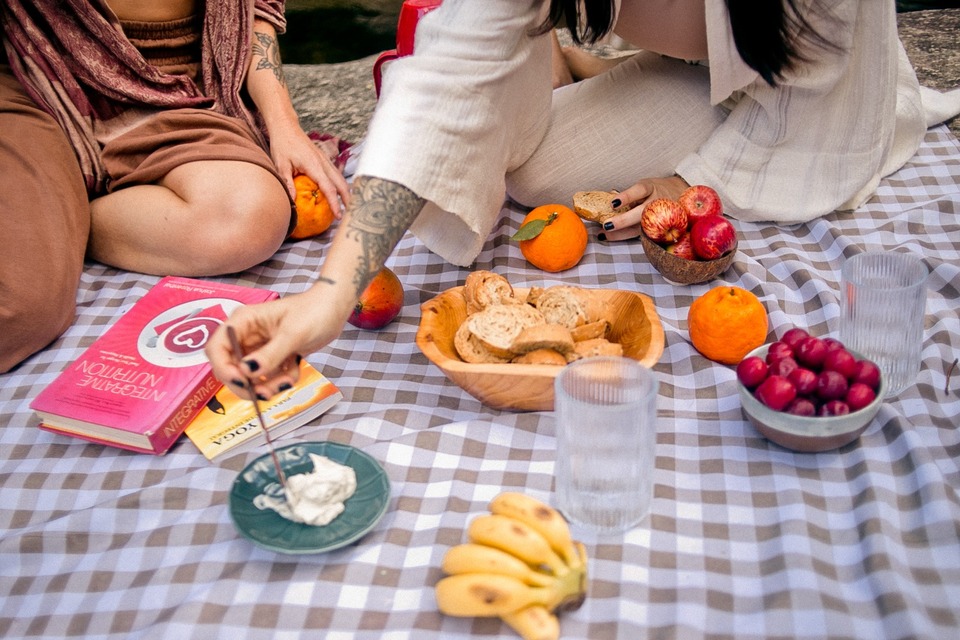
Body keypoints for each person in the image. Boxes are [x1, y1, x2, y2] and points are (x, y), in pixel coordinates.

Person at [205, 0, 960, 397]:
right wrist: (331, 293)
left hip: (811, 83)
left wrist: (700, 180)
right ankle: (593, 64)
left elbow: (824, 75)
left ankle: (592, 69)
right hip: (690, 62)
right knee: (535, 179)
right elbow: (446, 83)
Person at [0, 0, 350, 373]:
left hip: (175, 87)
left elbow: (254, 12)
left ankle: (71, 215)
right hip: (32, 76)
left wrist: (283, 123)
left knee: (249, 219)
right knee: (22, 313)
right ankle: (60, 207)